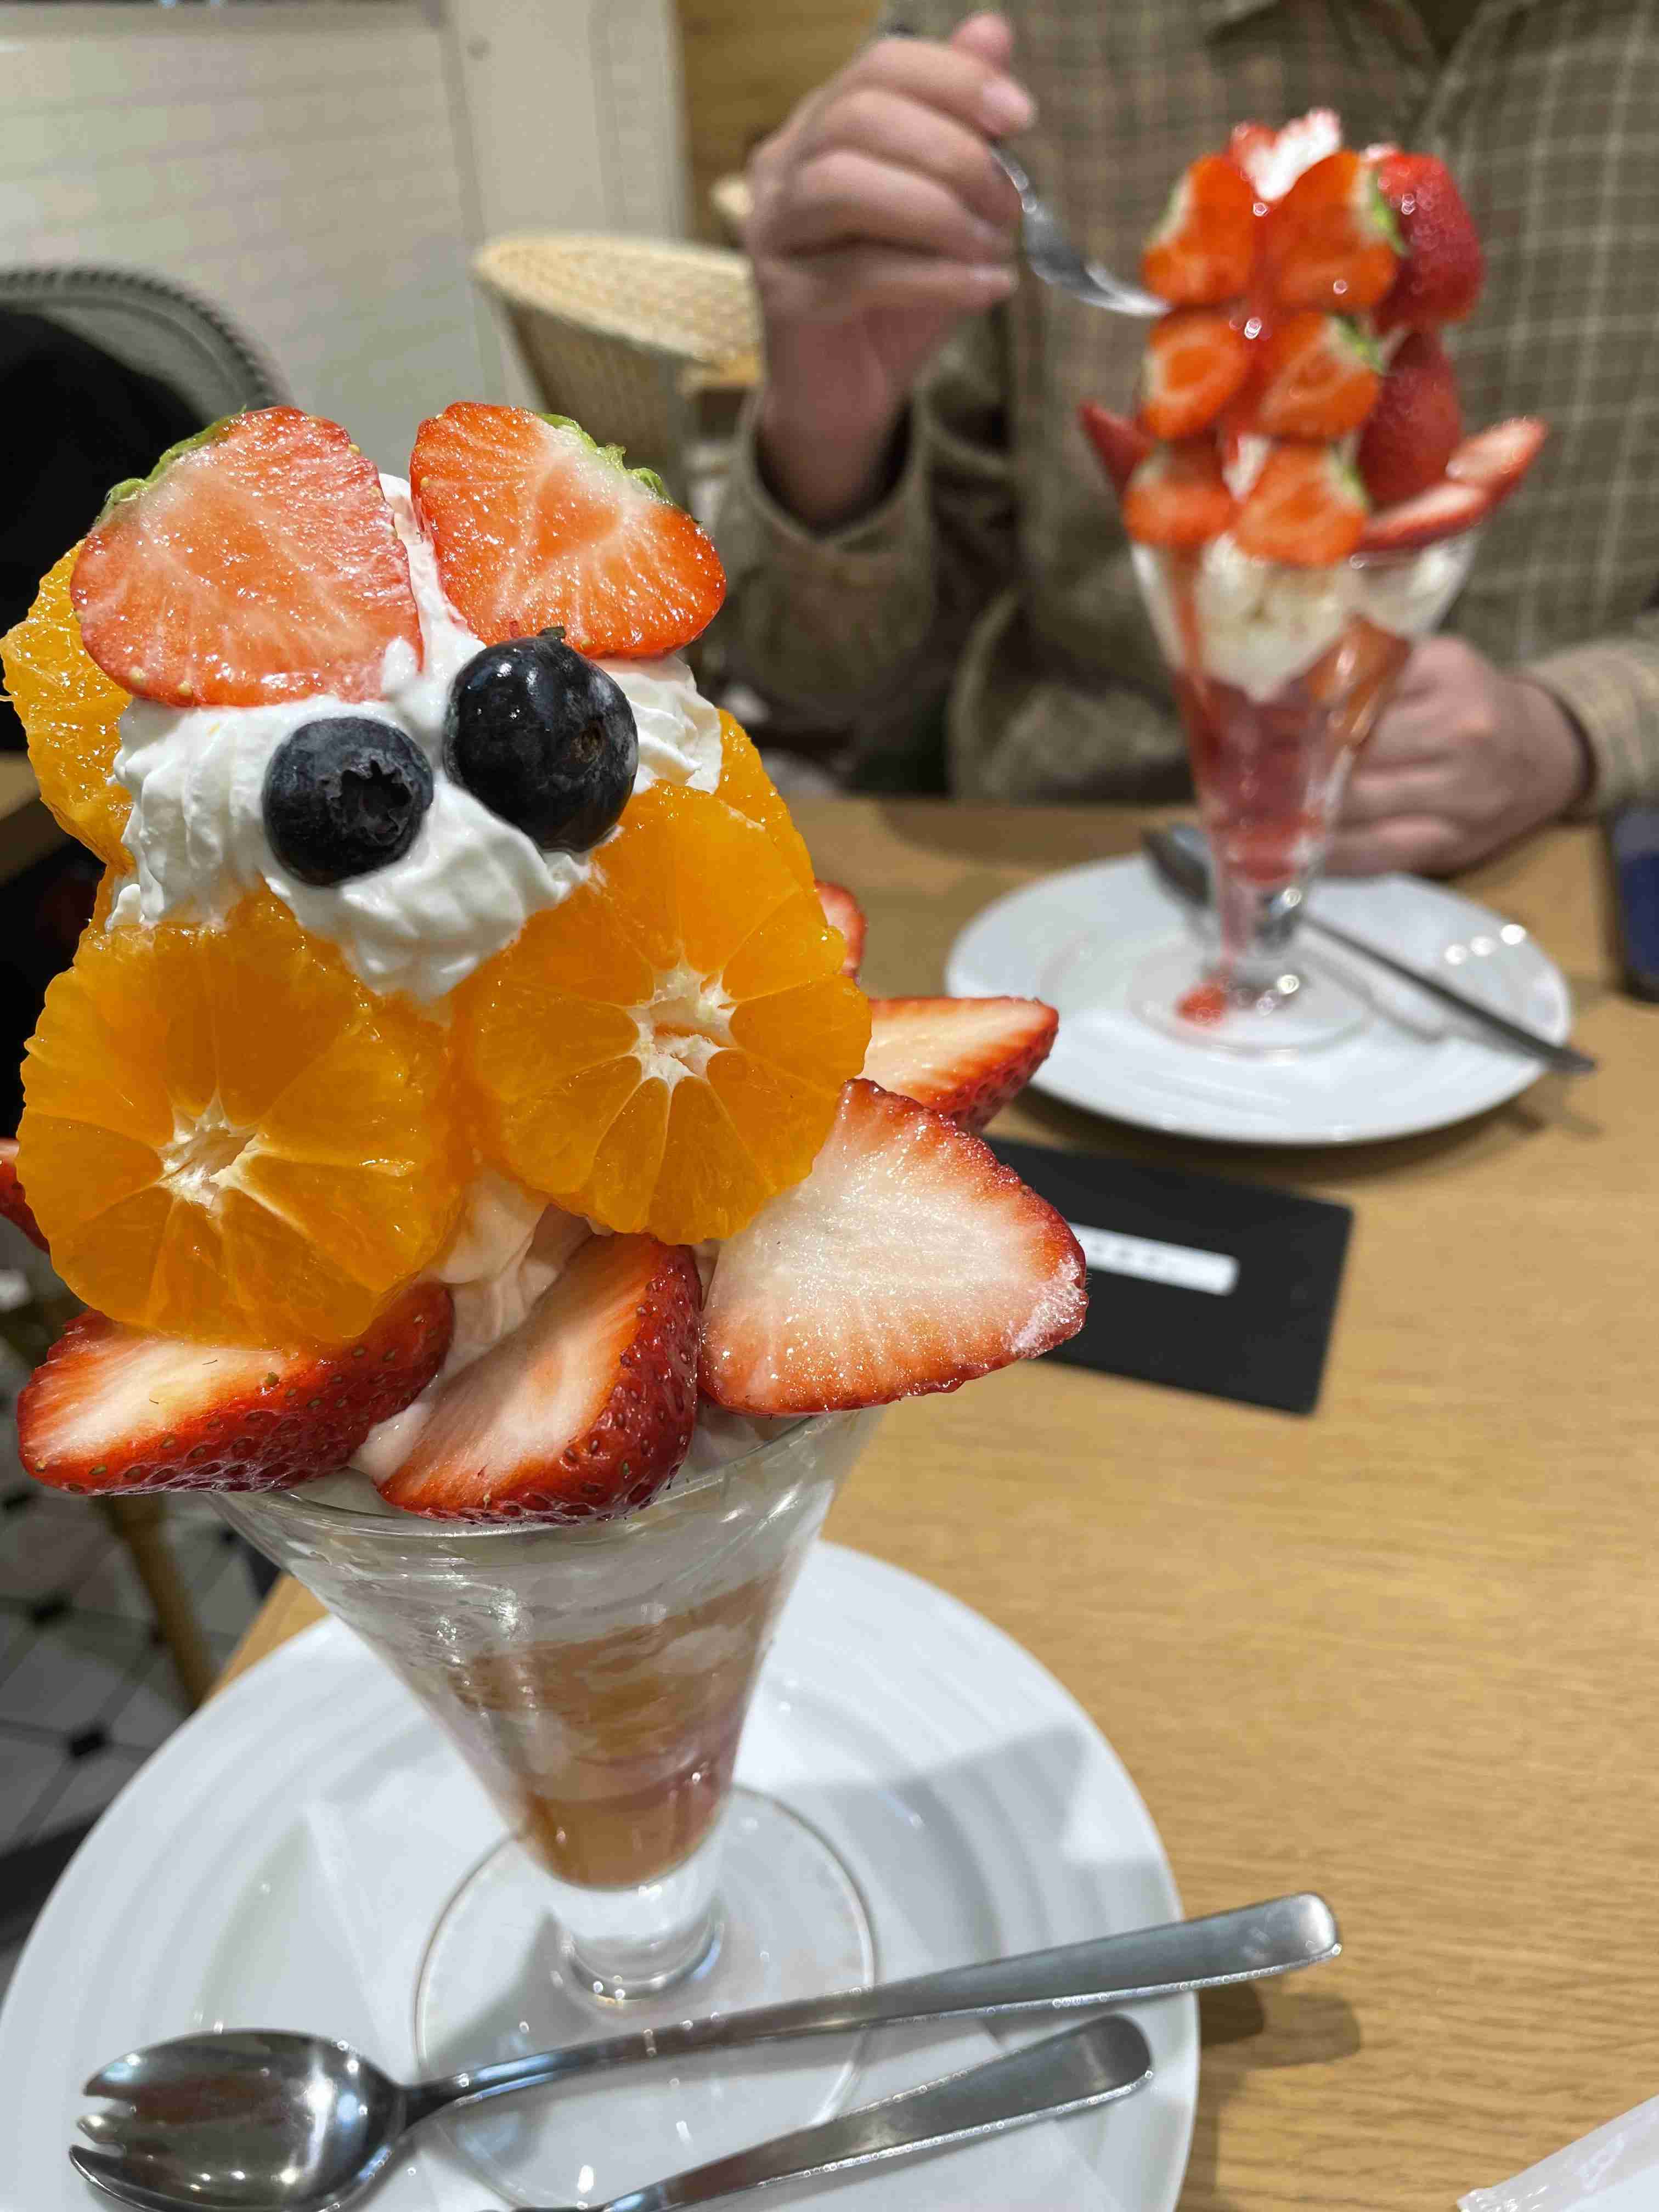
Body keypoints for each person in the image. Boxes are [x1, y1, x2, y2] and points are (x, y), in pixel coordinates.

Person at [714, 2, 1659, 876]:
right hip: (1070, 854)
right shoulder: (1017, 42)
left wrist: (1578, 727)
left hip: (1571, 871)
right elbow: (825, 682)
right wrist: (830, 432)